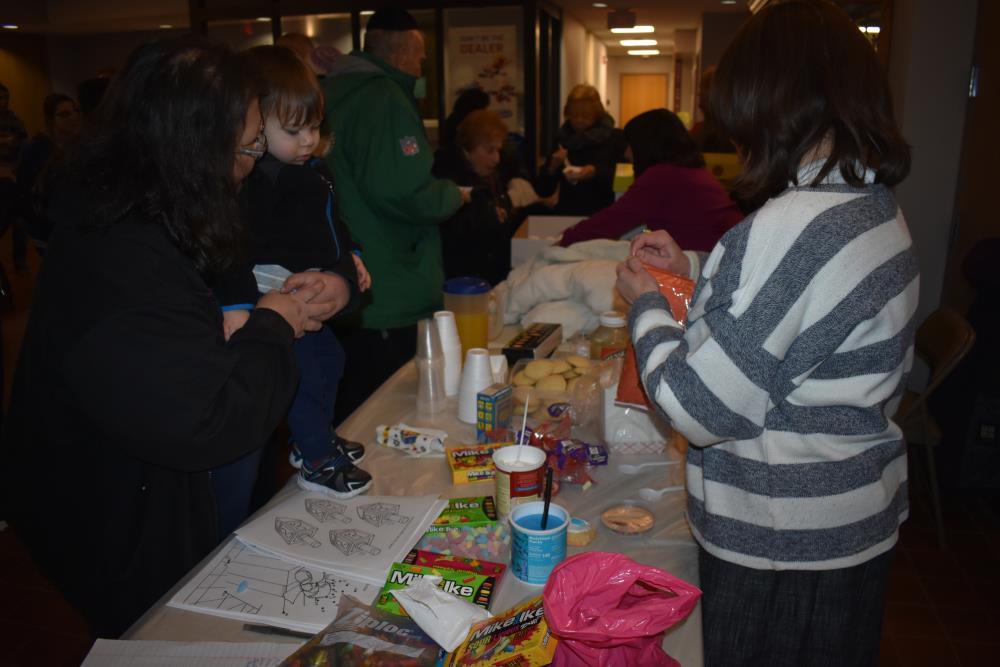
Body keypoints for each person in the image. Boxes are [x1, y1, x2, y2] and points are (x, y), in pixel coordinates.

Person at [0, 36, 345, 639]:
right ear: (196, 149)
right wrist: (273, 324)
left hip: (133, 488)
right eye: (248, 147)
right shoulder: (124, 253)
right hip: (112, 517)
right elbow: (206, 420)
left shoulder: (144, 205)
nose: (251, 164)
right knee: (166, 633)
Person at [614, 2, 916, 665]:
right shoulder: (869, 204)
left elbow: (702, 410)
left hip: (783, 540)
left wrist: (646, 307)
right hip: (848, 522)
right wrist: (693, 269)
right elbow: (805, 314)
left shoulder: (792, 226)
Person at [214, 45, 372, 519]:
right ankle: (317, 457)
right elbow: (228, 246)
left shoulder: (311, 169)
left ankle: (314, 438)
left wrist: (352, 258)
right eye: (293, 130)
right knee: (304, 372)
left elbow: (334, 224)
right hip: (275, 293)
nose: (308, 141)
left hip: (309, 288)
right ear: (256, 125)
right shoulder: (255, 180)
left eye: (314, 127)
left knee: (331, 361)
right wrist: (236, 304)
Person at [323, 6, 466, 418]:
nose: (421, 68)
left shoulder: (335, 93)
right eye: (419, 57)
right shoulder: (383, 98)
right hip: (390, 285)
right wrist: (452, 195)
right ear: (402, 52)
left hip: (354, 278)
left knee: (354, 412)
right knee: (389, 413)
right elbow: (404, 190)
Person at [558, 108, 742, 251]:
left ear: (644, 144)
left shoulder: (663, 177)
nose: (626, 152)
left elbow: (611, 221)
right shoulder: (689, 172)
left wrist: (564, 240)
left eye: (629, 144)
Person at [433, 109, 514, 286]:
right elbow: (454, 234)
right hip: (463, 283)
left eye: (498, 150)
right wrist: (492, 216)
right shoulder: (448, 181)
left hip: (489, 277)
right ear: (468, 149)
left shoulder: (490, 177)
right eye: (490, 150)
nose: (497, 158)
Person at [536, 84, 625, 216]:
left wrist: (596, 172)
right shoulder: (562, 139)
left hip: (605, 213)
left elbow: (627, 179)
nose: (578, 120)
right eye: (573, 115)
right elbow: (543, 191)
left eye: (585, 115)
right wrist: (551, 168)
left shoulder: (614, 137)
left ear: (597, 114)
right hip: (568, 214)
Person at [16, 93, 82, 253]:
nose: (73, 117)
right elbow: (29, 194)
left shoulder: (74, 144)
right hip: (47, 230)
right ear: (51, 119)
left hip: (70, 226)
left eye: (75, 110)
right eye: (65, 114)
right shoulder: (39, 148)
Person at [0, 82, 29, 270]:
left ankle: (20, 260)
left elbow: (24, 145)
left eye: (4, 97)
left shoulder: (15, 121)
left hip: (15, 172)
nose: (1, 102)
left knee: (19, 219)